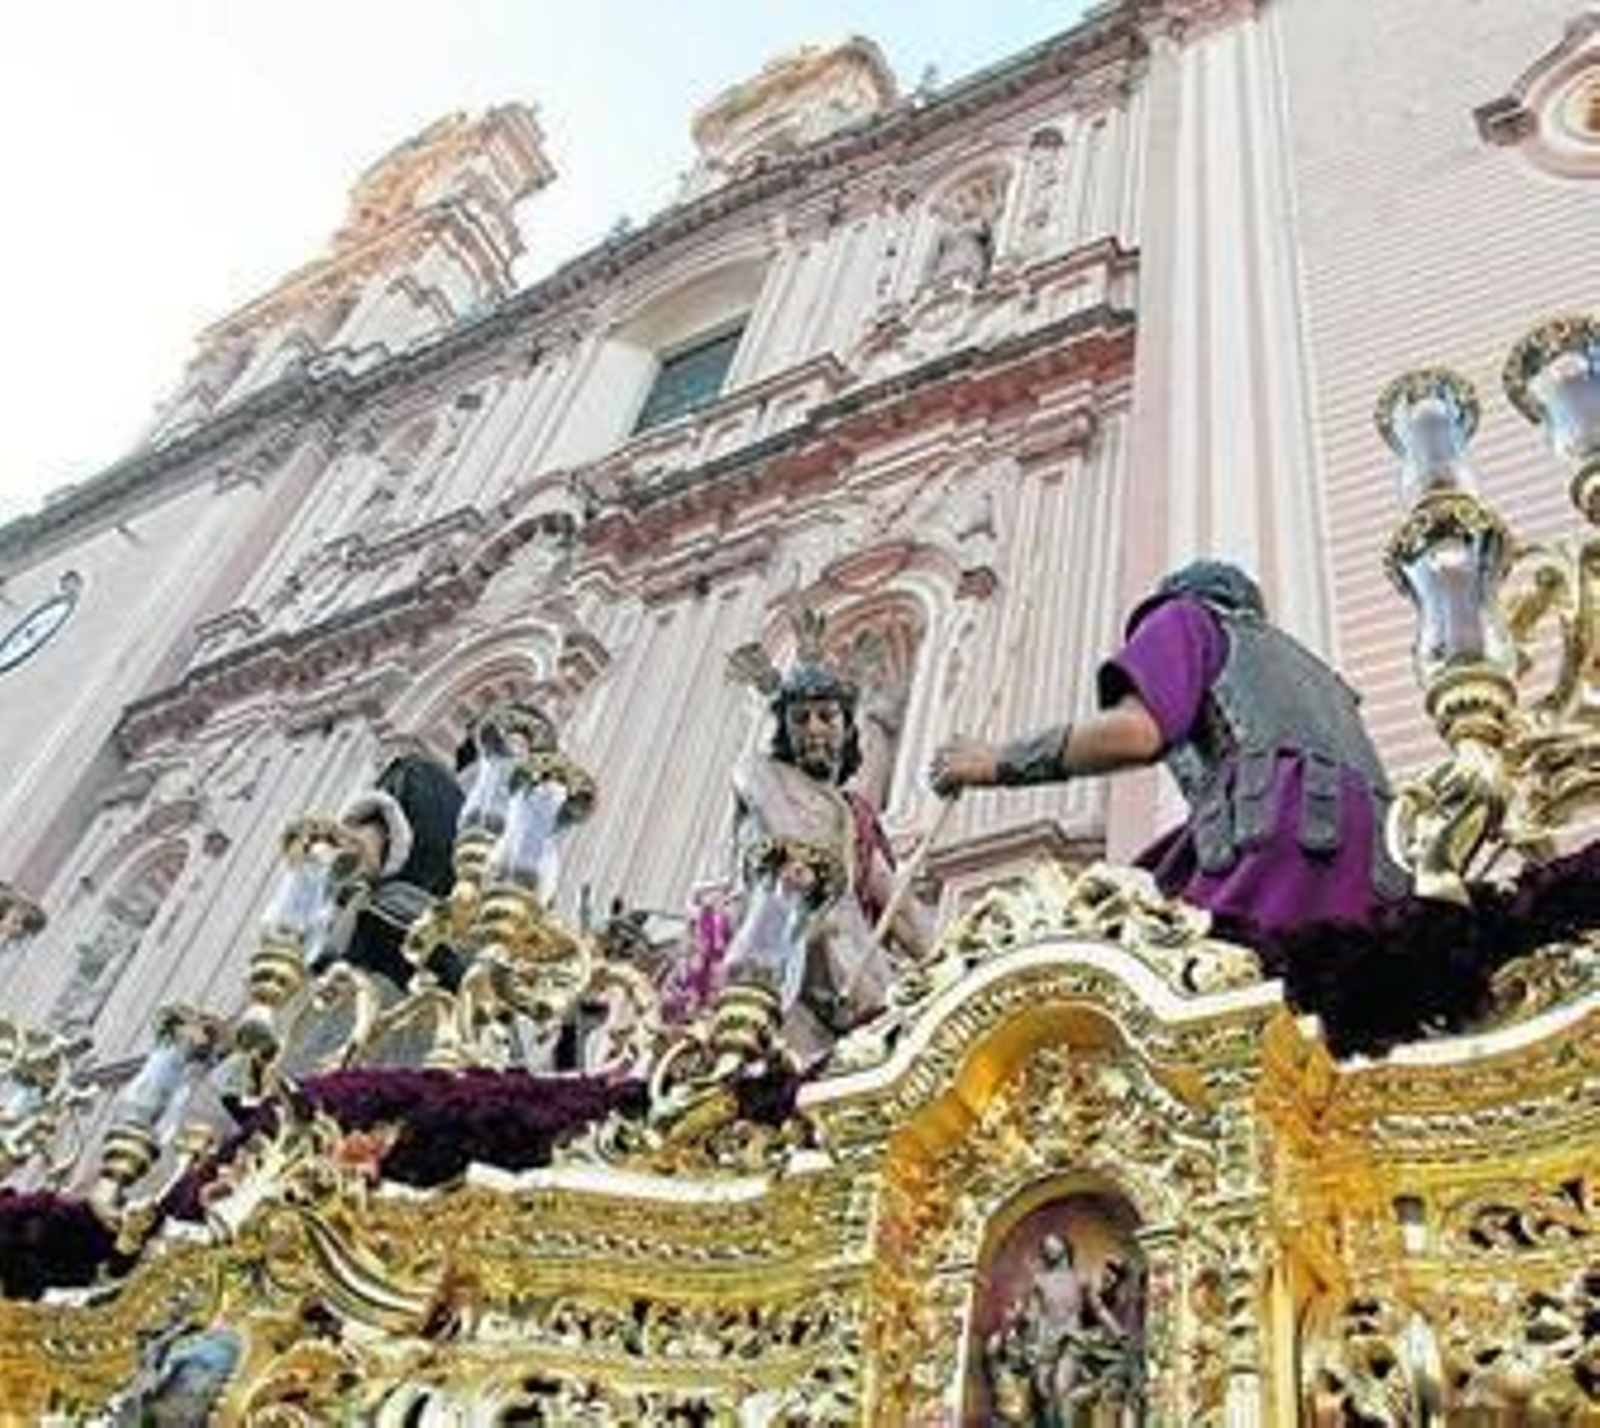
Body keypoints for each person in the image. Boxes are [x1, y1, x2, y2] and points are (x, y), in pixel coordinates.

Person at [932, 560, 1406, 936]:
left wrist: (996, 762)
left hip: (1276, 832)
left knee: (1136, 946)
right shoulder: (1321, 676)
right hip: (1382, 861)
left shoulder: (1186, 618)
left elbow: (1138, 733)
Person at [721, 614, 929, 1059]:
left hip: (850, 952)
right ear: (786, 729)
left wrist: (949, 965)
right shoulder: (759, 772)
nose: (814, 729)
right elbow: (790, 838)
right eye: (800, 718)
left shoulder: (854, 812)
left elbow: (897, 903)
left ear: (846, 726)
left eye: (825, 716)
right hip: (779, 932)